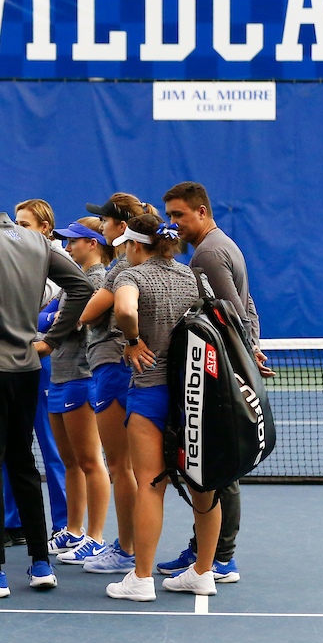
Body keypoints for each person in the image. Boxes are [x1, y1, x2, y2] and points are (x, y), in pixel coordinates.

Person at [0, 172, 94, 598]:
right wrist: (49, 341)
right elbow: (80, 287)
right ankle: (41, 564)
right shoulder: (37, 242)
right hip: (28, 370)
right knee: (23, 465)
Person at [157, 181, 272, 584]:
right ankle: (201, 548)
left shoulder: (206, 254)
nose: (172, 224)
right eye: (169, 215)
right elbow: (247, 305)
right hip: (229, 366)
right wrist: (252, 351)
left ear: (202, 212)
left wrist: (242, 360)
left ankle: (221, 557)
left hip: (219, 375)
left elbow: (227, 315)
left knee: (219, 466)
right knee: (211, 463)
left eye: (179, 216)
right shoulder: (225, 245)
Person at [104, 212, 219, 601]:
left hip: (151, 391)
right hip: (197, 394)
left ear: (135, 245)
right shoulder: (193, 277)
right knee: (204, 483)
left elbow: (124, 310)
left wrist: (133, 341)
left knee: (151, 484)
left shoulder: (131, 276)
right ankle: (204, 571)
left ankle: (140, 580)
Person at [78, 193, 155, 575]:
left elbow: (89, 314)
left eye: (106, 221)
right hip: (139, 372)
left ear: (122, 227)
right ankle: (133, 546)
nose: (101, 226)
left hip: (114, 366)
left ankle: (126, 549)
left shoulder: (122, 268)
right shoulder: (161, 264)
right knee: (140, 469)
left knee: (119, 466)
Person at [34, 218, 112, 566]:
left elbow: (59, 321)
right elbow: (46, 318)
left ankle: (95, 536)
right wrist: (51, 319)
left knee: (90, 461)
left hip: (81, 377)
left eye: (74, 242)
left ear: (93, 243)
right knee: (70, 462)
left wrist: (51, 319)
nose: (66, 248)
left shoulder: (97, 279)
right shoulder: (73, 280)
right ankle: (75, 529)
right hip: (59, 377)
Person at [2, 200, 70, 548]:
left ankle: (63, 525)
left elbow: (36, 310)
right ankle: (12, 523)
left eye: (25, 224)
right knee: (11, 444)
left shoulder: (59, 262)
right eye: (15, 223)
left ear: (45, 227)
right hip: (13, 361)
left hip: (46, 365)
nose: (17, 229)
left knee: (52, 446)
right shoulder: (15, 257)